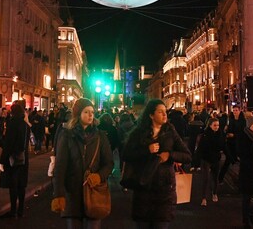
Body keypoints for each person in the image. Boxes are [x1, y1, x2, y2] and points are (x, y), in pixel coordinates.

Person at [121, 99, 192, 229]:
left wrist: (170, 155)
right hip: (143, 188)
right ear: (151, 115)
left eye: (165, 112)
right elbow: (126, 155)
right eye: (160, 112)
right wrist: (146, 150)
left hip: (164, 191)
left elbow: (187, 155)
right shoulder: (138, 133)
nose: (165, 115)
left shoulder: (170, 132)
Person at [51, 98, 113, 229]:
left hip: (93, 192)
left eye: (92, 112)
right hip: (72, 195)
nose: (90, 115)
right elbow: (60, 167)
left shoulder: (100, 136)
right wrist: (58, 194)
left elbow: (109, 163)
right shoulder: (66, 135)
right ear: (78, 114)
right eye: (86, 112)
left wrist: (99, 176)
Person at [0, 101, 31, 219]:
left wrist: (2, 160)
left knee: (13, 185)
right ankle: (21, 210)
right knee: (21, 185)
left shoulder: (13, 124)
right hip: (23, 158)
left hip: (14, 158)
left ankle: (13, 210)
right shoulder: (26, 125)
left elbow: (8, 143)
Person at [195, 117, 223, 206]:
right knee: (205, 179)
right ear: (210, 125)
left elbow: (224, 146)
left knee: (215, 178)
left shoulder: (220, 134)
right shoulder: (204, 135)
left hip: (216, 159)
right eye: (214, 125)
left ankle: (214, 193)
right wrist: (195, 162)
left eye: (218, 125)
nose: (217, 127)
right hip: (206, 159)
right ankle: (203, 198)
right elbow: (199, 149)